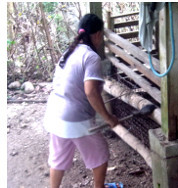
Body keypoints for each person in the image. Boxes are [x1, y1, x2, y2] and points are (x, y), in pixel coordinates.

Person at [44, 14, 119, 188]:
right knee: (100, 155)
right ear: (98, 34)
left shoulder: (70, 51)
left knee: (58, 159)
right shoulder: (91, 57)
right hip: (74, 119)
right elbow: (91, 92)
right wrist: (108, 118)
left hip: (55, 114)